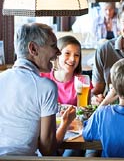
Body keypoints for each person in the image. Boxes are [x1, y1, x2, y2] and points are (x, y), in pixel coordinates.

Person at [0, 23, 76, 156]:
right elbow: (47, 149)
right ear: (33, 49)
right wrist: (65, 124)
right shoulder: (46, 86)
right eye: (53, 46)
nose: (58, 52)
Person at [40, 35, 92, 106]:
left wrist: (96, 100)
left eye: (76, 55)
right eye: (67, 53)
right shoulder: (42, 78)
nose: (72, 59)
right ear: (57, 54)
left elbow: (89, 106)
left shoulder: (83, 82)